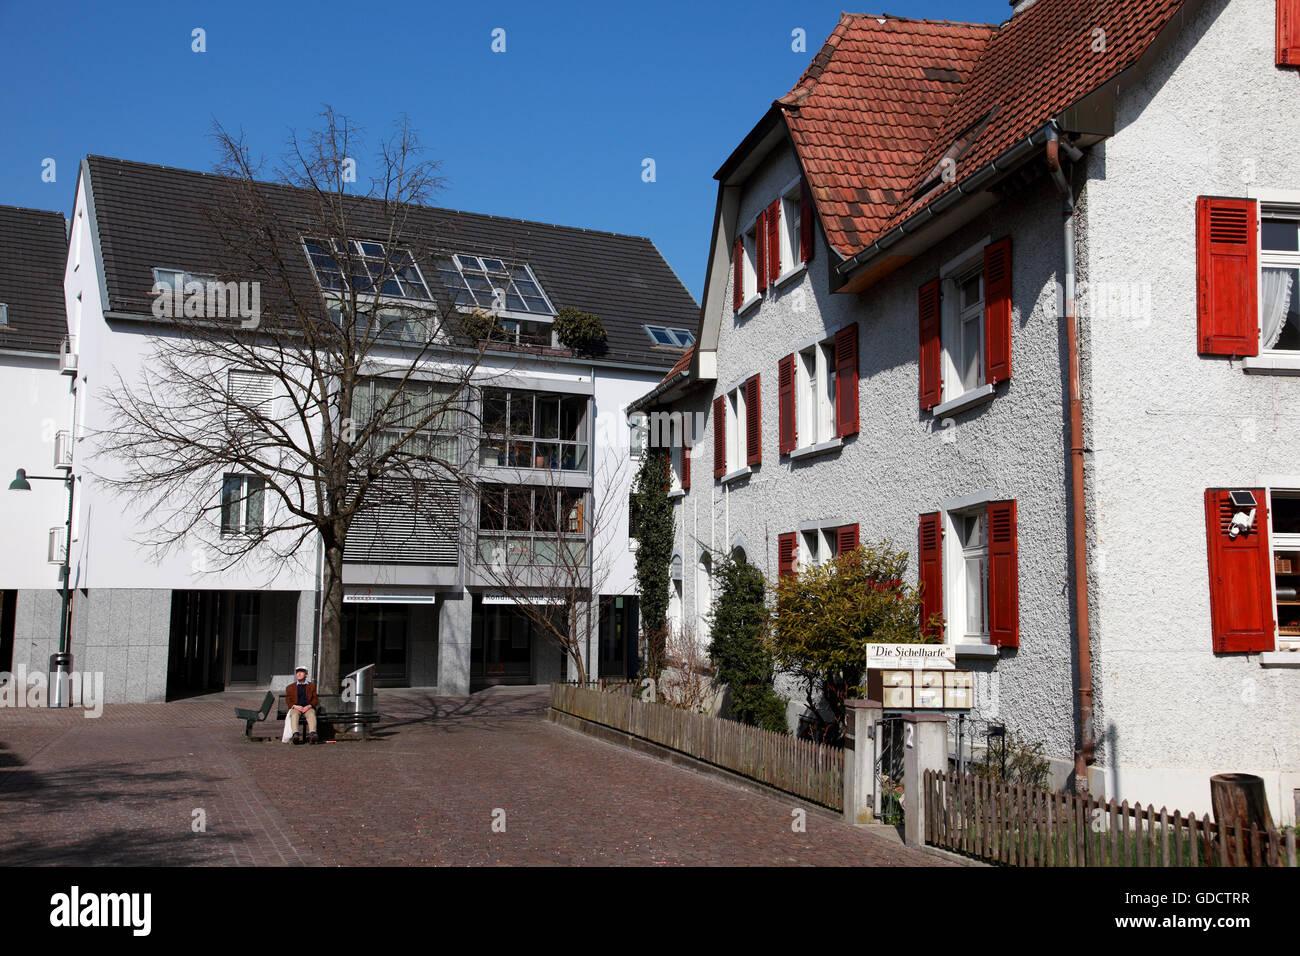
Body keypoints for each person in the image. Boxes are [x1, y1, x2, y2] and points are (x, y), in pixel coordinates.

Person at [286, 666, 319, 745]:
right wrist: (295, 706)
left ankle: (312, 734)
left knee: (311, 714)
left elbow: (315, 699)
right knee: (294, 714)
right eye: (297, 672)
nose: (299, 674)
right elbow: (288, 700)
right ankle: (295, 735)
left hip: (307, 707)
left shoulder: (311, 686)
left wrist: (309, 706)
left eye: (301, 672)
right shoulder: (290, 687)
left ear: (306, 674)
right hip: (296, 707)